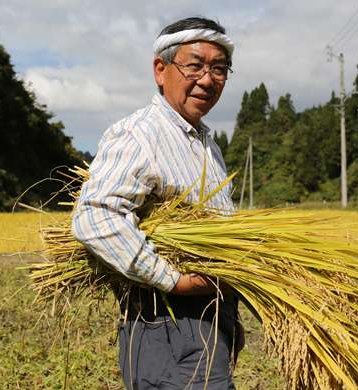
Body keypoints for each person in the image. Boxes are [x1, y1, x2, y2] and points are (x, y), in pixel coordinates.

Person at [72, 17, 243, 390]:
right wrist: (175, 281)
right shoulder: (141, 134)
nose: (208, 79)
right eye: (195, 65)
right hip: (167, 322)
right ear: (160, 70)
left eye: (219, 68)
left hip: (205, 321)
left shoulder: (204, 143)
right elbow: (95, 217)